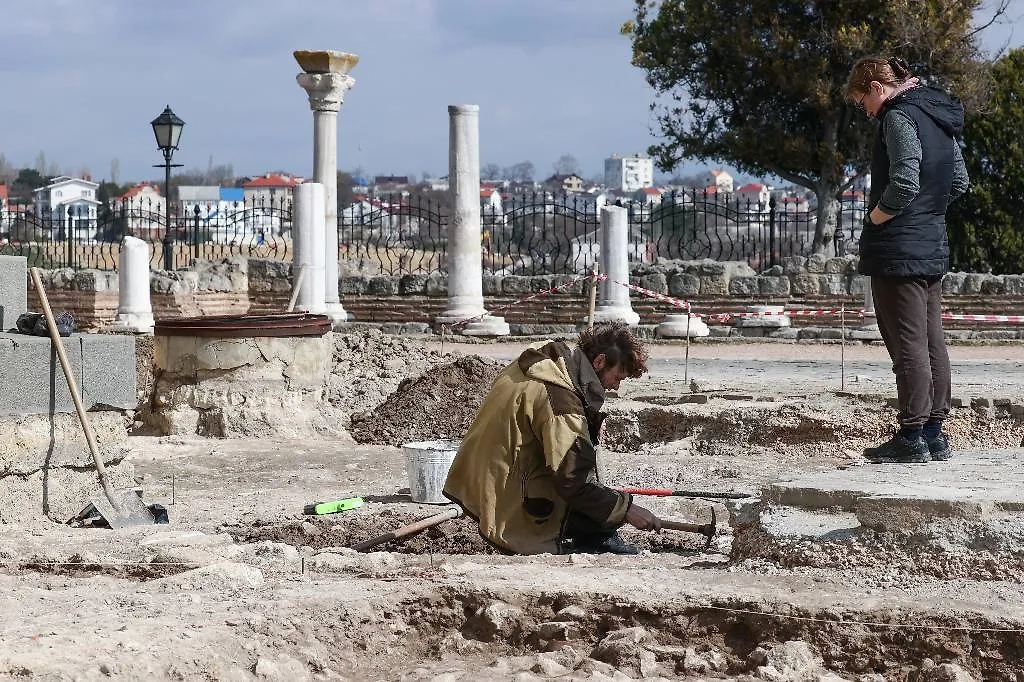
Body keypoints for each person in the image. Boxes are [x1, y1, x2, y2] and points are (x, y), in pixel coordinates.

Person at [443, 322, 662, 555]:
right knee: (587, 495)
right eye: (617, 377)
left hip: (474, 476)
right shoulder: (561, 402)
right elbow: (573, 481)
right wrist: (626, 509)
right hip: (502, 494)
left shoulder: (545, 362)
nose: (616, 387)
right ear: (599, 362)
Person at [846, 56, 970, 463]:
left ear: (877, 87)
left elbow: (903, 180)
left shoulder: (899, 116)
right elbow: (959, 182)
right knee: (932, 339)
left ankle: (912, 434)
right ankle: (935, 433)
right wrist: (928, 213)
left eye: (863, 98)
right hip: (931, 242)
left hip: (898, 248)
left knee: (908, 343)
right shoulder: (937, 112)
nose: (865, 109)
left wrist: (877, 216)